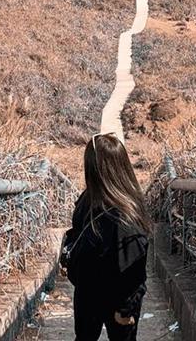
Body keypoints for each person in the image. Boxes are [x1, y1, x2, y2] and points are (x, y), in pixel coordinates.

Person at [60, 133, 152, 341]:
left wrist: (126, 309)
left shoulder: (122, 213)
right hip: (91, 290)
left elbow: (133, 270)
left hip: (109, 296)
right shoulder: (95, 199)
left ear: (93, 168)